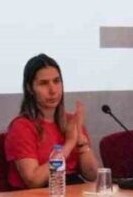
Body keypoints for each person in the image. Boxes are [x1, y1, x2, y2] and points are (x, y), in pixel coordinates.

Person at [5, 53, 99, 189]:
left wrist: (80, 142)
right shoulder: (21, 127)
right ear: (30, 88)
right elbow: (34, 180)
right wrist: (69, 144)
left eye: (56, 81)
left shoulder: (70, 121)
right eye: (43, 83)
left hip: (73, 194)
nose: (53, 90)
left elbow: (92, 175)